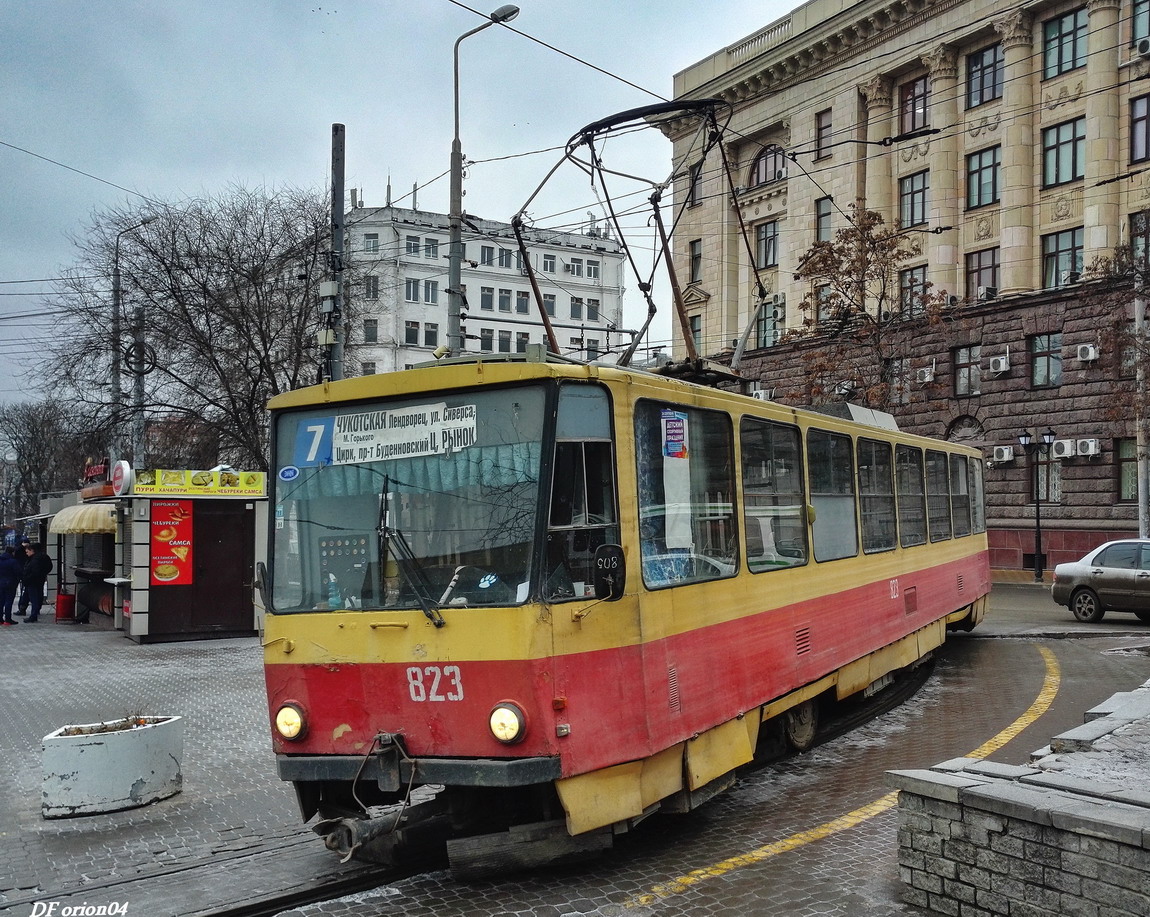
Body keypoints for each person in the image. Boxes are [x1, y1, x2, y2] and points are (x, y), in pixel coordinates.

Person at [20, 543, 52, 623]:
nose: (27, 554)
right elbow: (49, 567)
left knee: (34, 599)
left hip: (32, 582)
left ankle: (33, 615)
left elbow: (34, 572)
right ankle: (35, 612)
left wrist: (27, 578)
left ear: (32, 550)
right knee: (38, 597)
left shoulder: (34, 559)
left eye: (27, 552)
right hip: (39, 581)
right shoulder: (44, 557)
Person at [0, 546, 20, 625]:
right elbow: (18, 572)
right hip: (10, 584)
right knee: (8, 601)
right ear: (12, 552)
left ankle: (0, 619)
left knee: (1, 601)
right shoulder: (13, 561)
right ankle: (8, 619)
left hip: (0, 584)